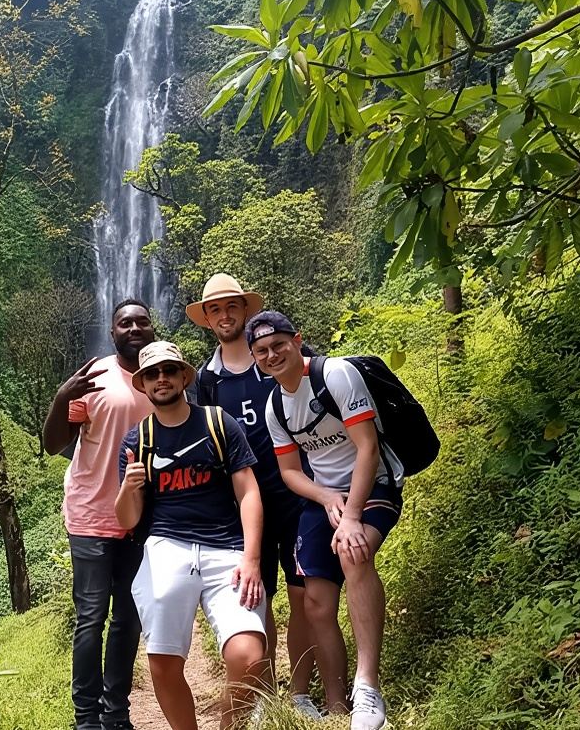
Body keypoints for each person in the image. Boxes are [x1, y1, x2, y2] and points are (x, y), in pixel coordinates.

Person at [247, 310, 403, 730]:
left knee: (354, 554)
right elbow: (291, 472)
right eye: (262, 351)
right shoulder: (275, 404)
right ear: (255, 359)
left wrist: (351, 513)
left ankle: (368, 688)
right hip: (325, 498)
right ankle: (336, 704)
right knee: (316, 602)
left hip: (374, 488)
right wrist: (328, 497)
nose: (272, 354)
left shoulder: (336, 375)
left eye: (279, 344)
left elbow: (367, 447)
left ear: (297, 339)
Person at [187, 274, 322, 720]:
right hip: (243, 507)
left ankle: (300, 692)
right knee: (254, 599)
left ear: (245, 310)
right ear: (207, 320)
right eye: (215, 309)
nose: (224, 316)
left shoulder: (276, 359)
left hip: (298, 495)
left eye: (232, 307)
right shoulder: (206, 381)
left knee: (304, 594)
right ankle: (263, 696)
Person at [114, 340, 266, 730]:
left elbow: (248, 491)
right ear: (143, 385)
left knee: (249, 655)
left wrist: (251, 558)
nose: (161, 379)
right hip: (166, 546)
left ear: (184, 376)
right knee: (163, 661)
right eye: (152, 374)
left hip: (227, 548)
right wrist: (129, 488)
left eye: (168, 371)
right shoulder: (136, 443)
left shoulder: (218, 423)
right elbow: (127, 519)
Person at [43, 299, 156, 730]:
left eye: (141, 321)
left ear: (152, 328)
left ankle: (117, 713)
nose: (133, 328)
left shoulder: (163, 376)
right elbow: (55, 445)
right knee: (91, 616)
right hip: (91, 512)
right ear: (113, 333)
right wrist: (61, 398)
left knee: (128, 617)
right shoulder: (94, 378)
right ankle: (85, 718)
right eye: (125, 323)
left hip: (141, 518)